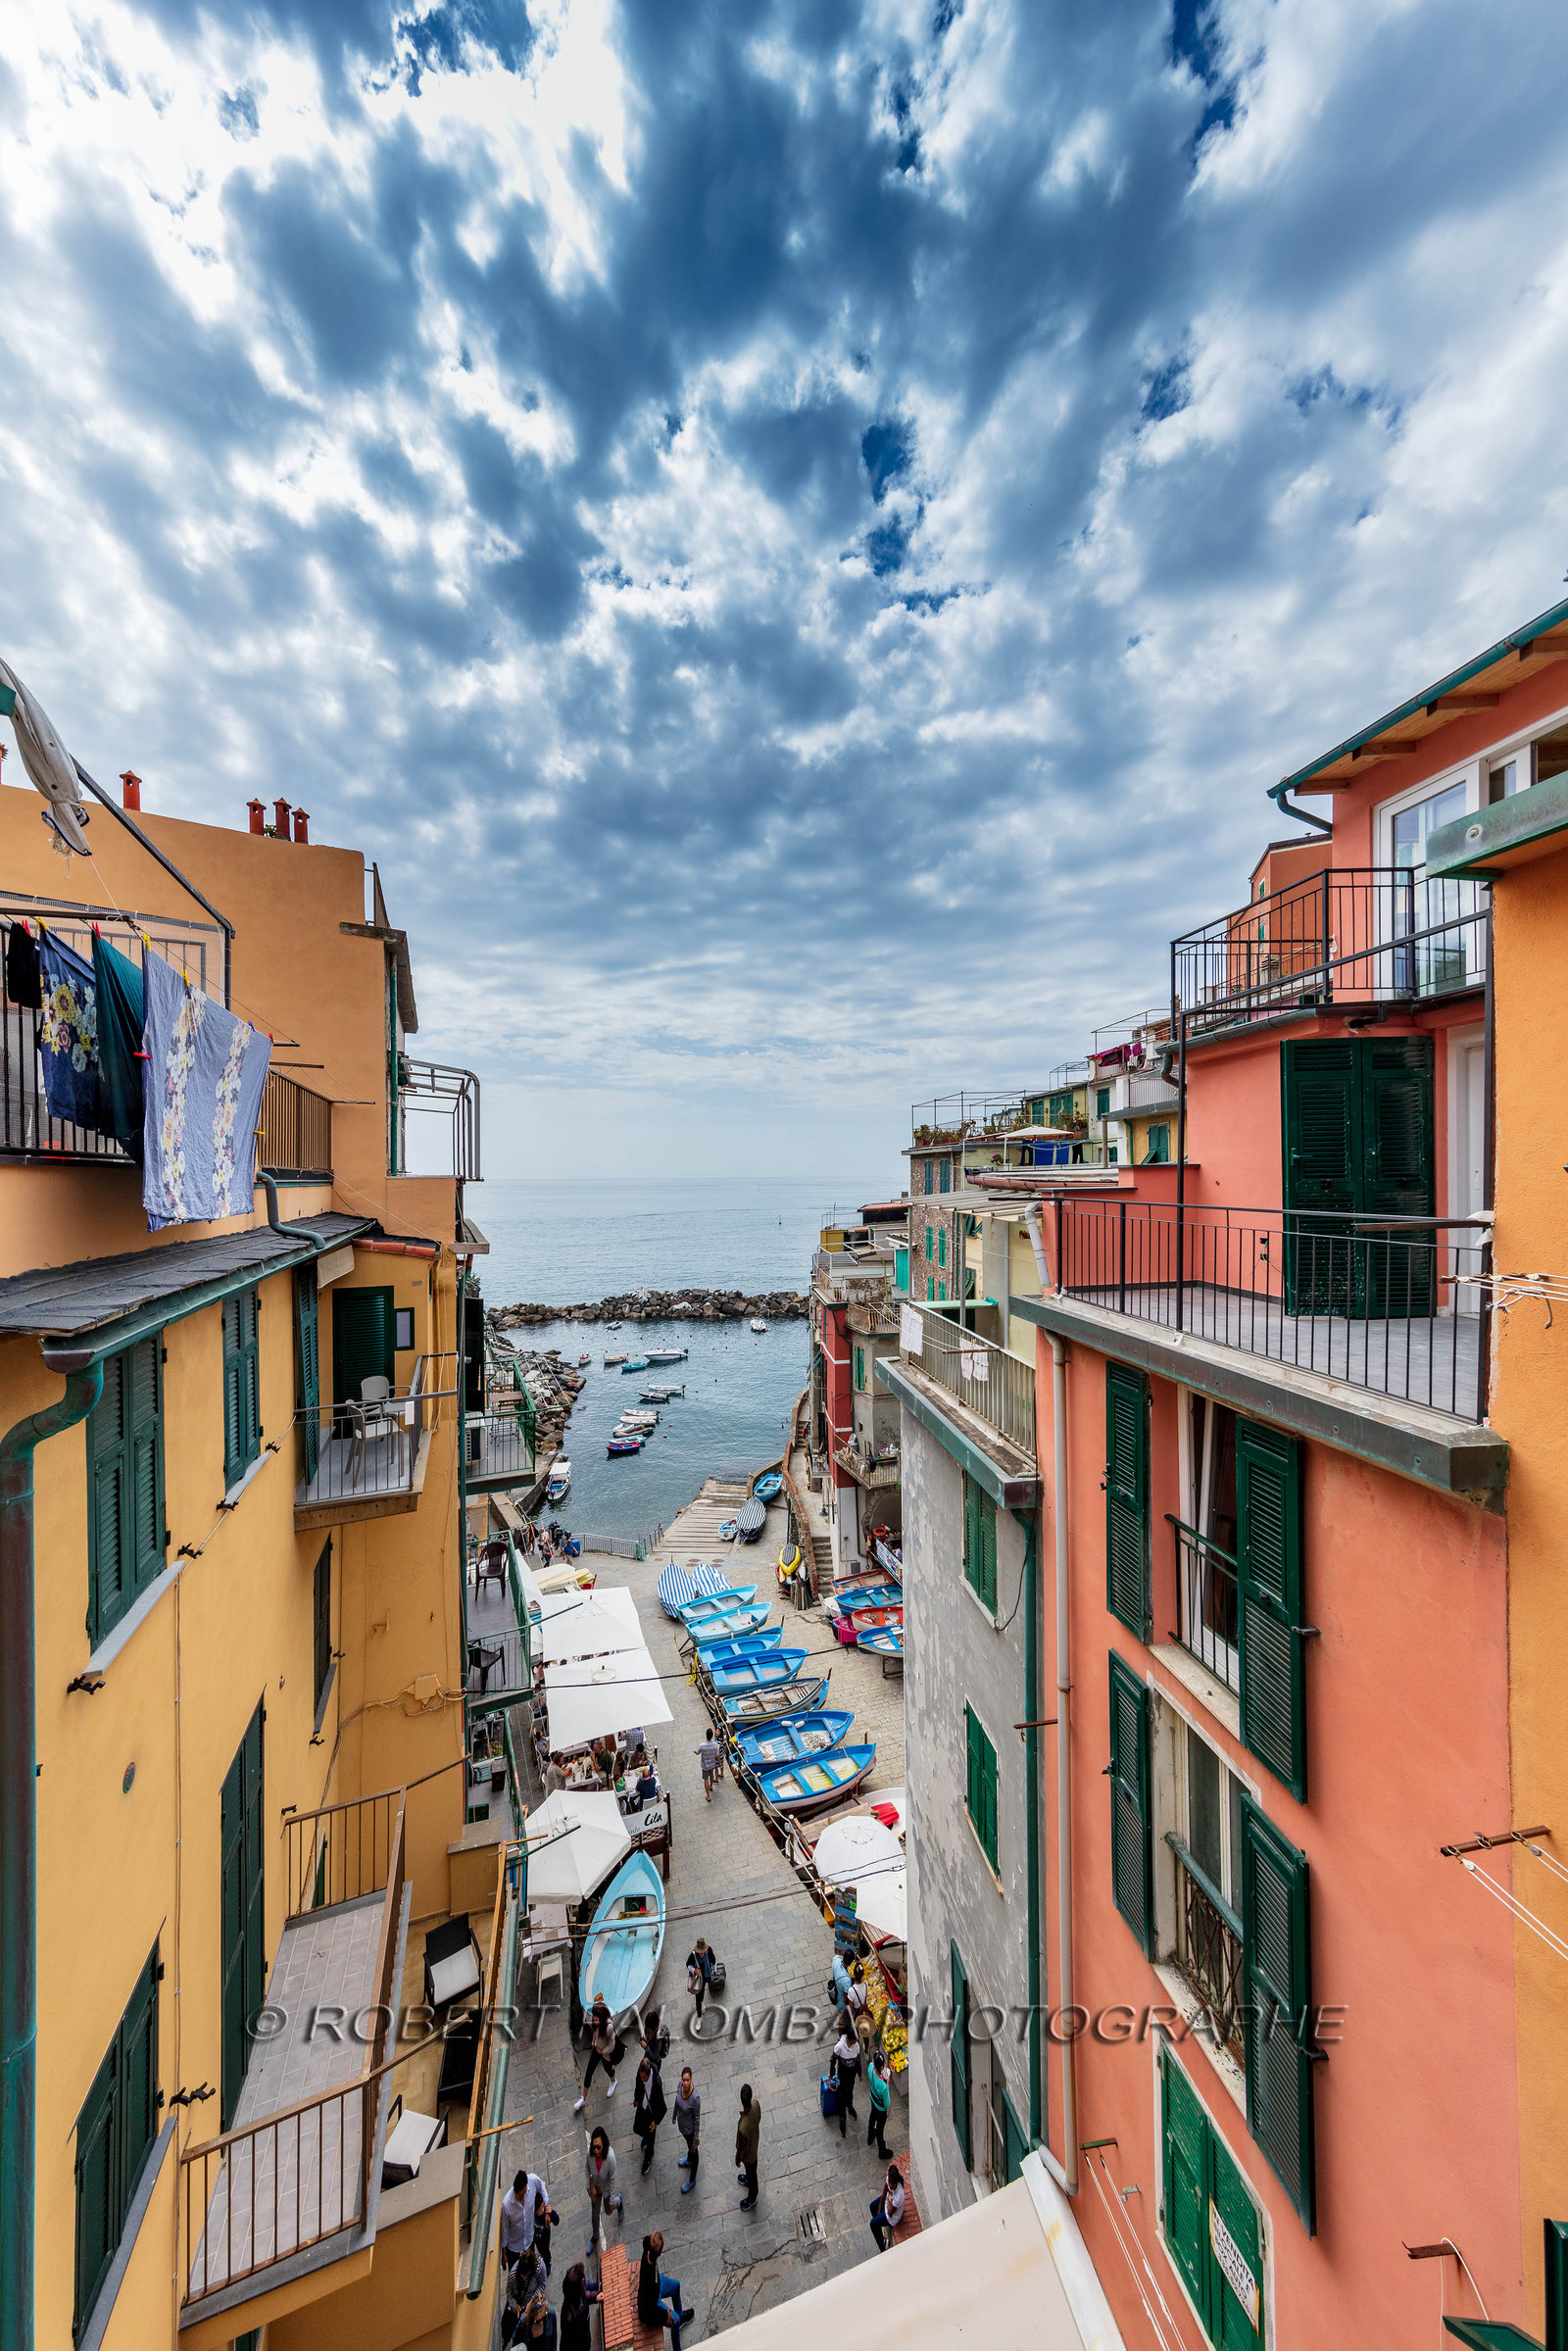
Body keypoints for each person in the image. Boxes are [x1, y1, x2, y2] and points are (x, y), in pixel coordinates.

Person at [637, 2232, 696, 2351]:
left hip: (657, 2287)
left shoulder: (647, 2243)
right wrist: (665, 2315)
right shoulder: (649, 2281)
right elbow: (650, 2308)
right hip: (651, 2304)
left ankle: (681, 2315)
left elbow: (647, 2239)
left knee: (676, 2286)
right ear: (659, 2254)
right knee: (675, 2321)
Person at [573, 1996, 618, 2111]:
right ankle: (584, 2098)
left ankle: (613, 2081)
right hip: (596, 2050)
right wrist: (594, 2044)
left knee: (608, 2069)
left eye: (596, 2018)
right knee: (589, 2073)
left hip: (605, 2053)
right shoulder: (596, 2023)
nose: (594, 2020)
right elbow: (595, 2033)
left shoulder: (609, 2028)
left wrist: (602, 2051)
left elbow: (612, 2046)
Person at [584, 2128, 622, 2256]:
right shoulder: (589, 2154)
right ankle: (595, 2237)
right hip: (595, 2187)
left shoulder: (610, 2157)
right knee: (595, 2215)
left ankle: (619, 2201)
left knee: (608, 2210)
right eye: (594, 2147)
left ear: (603, 2144)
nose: (596, 2150)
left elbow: (612, 2180)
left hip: (606, 2189)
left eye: (598, 2147)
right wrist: (587, 2185)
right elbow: (587, 2168)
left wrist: (611, 2200)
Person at [632, 2052, 666, 2174]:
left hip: (652, 2113)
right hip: (642, 2106)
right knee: (637, 2128)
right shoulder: (640, 2073)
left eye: (644, 2078)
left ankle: (648, 2159)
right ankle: (646, 2137)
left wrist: (655, 2121)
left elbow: (662, 2105)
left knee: (651, 2138)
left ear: (649, 2073)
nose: (642, 2079)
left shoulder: (656, 2083)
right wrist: (636, 2098)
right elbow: (638, 2085)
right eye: (641, 2077)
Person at [558, 2264, 600, 2351]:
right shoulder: (568, 2318)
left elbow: (585, 2294)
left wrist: (596, 2296)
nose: (584, 2280)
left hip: (584, 2335)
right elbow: (570, 2342)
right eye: (582, 2281)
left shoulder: (576, 2287)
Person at [831, 2023, 861, 2138]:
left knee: (850, 2092)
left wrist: (859, 2073)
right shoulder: (839, 2047)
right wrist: (832, 2073)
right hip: (842, 2077)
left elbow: (858, 2060)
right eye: (854, 2040)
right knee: (841, 2098)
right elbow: (833, 2059)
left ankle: (850, 2105)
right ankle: (842, 2120)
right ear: (849, 2039)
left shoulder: (856, 2046)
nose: (856, 2041)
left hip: (851, 2076)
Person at [672, 2066, 701, 2191]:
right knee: (689, 2146)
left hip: (690, 2131)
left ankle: (692, 2179)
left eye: (687, 2080)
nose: (685, 2083)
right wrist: (674, 2116)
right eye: (684, 2080)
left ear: (691, 2079)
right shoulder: (680, 2086)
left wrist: (696, 2138)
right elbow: (677, 2101)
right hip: (682, 2128)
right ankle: (689, 2160)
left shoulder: (695, 2098)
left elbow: (697, 2119)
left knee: (694, 2152)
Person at [735, 2083, 761, 2209]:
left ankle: (752, 2198)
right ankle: (748, 2179)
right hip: (755, 2144)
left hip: (748, 2155)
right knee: (752, 2169)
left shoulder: (742, 2126)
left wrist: (737, 2159)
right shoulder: (756, 2105)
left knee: (752, 2172)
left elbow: (741, 2148)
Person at [869, 2164, 906, 2252]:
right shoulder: (889, 2179)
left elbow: (890, 2213)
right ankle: (881, 2236)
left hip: (892, 2218)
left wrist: (889, 2195)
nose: (890, 2185)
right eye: (889, 2182)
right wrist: (879, 2212)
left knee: (873, 2224)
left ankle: (883, 2249)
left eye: (892, 2184)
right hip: (888, 2203)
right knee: (872, 2206)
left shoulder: (899, 2195)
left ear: (896, 2182)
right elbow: (884, 2194)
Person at [866, 2048, 892, 2160]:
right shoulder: (883, 2086)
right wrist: (887, 2083)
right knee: (880, 2128)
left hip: (873, 2098)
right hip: (881, 2108)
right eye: (884, 2064)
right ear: (881, 2067)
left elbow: (872, 2065)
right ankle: (882, 2150)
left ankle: (870, 2135)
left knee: (872, 2116)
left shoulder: (870, 2068)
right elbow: (887, 2103)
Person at [686, 1938, 716, 2020]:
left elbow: (713, 1961)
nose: (701, 1954)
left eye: (702, 1952)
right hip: (698, 1979)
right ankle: (699, 2017)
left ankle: (702, 2001)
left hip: (707, 1975)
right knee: (698, 1998)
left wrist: (715, 1971)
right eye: (700, 1952)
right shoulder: (693, 1954)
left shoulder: (709, 1950)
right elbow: (688, 1964)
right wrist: (694, 1970)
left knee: (702, 1992)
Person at [695, 1731, 722, 1801]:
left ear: (706, 1735)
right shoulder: (715, 1745)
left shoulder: (702, 1745)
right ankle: (711, 1786)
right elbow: (717, 1755)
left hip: (705, 1765)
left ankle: (708, 1796)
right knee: (711, 1775)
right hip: (712, 1763)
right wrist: (720, 1763)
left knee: (706, 1779)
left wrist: (695, 1751)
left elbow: (697, 1752)